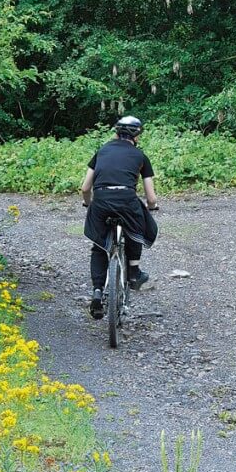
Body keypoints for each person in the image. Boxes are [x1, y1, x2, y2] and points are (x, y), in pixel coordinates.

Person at [81, 116, 159, 319]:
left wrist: (89, 204)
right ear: (137, 136)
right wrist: (152, 207)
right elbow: (151, 198)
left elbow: (85, 188)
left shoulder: (101, 151)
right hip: (126, 200)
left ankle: (97, 292)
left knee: (99, 246)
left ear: (116, 133)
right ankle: (134, 272)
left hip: (101, 201)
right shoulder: (140, 156)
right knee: (136, 228)